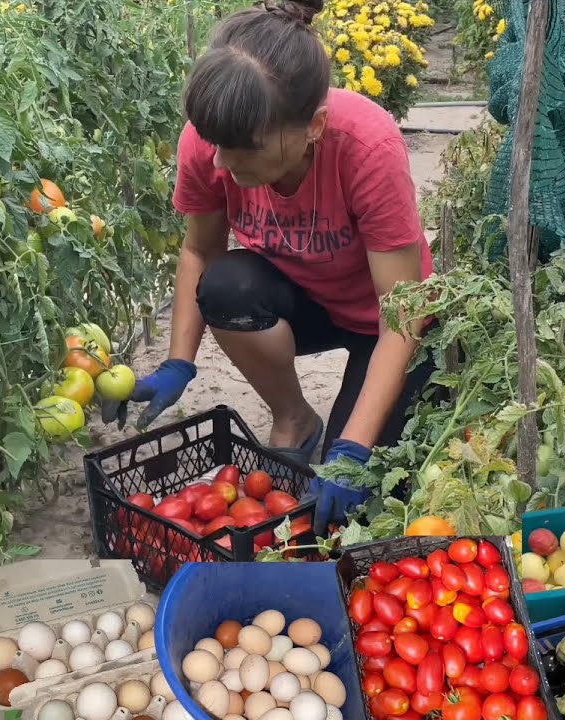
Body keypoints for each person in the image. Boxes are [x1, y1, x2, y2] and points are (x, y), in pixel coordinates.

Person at [120, 0, 437, 532]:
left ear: (313, 126)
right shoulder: (213, 139)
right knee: (225, 287)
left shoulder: (365, 147)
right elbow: (200, 251)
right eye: (215, 144)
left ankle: (352, 428)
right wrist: (179, 361)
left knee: (368, 497)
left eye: (244, 148)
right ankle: (295, 416)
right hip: (299, 299)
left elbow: (402, 316)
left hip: (385, 320)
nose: (221, 161)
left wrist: (355, 449)